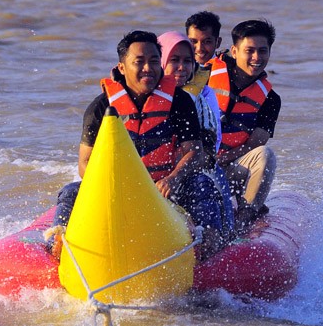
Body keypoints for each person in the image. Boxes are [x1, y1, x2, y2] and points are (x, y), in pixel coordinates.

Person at [47, 31, 225, 260]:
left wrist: (174, 178)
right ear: (122, 67)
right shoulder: (101, 107)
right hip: (118, 191)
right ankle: (56, 249)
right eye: (139, 62)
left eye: (153, 61)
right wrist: (117, 188)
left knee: (201, 184)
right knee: (71, 192)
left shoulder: (180, 102)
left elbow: (194, 152)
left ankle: (210, 250)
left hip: (166, 190)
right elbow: (85, 164)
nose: (148, 69)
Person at [157, 31, 234, 241]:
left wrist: (177, 175)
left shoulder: (202, 95)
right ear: (160, 61)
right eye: (174, 60)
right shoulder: (141, 96)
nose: (182, 68)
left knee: (210, 182)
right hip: (150, 173)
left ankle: (224, 234)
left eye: (187, 61)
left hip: (194, 166)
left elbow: (210, 143)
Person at [206, 19, 281, 230]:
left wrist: (224, 158)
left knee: (265, 155)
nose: (257, 58)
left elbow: (257, 142)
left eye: (262, 51)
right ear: (234, 51)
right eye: (249, 50)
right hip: (198, 165)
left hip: (231, 168)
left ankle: (245, 217)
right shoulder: (204, 77)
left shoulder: (271, 99)